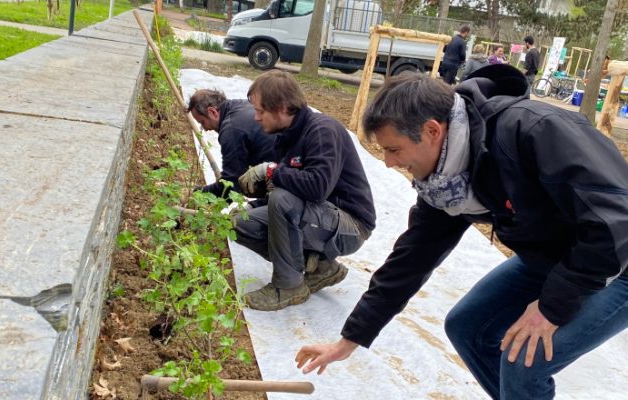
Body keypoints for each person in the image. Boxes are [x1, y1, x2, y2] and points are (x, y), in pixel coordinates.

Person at [296, 65, 628, 399]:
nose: (387, 163)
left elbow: (616, 222)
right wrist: (350, 340)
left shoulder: (534, 131)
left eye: (394, 150)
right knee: (468, 327)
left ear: (432, 131)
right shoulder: (448, 181)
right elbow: (412, 257)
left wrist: (550, 308)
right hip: (558, 255)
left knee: (526, 361)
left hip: (616, 257)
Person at [233, 70, 376, 311]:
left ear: (281, 108)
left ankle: (289, 287)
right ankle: (320, 267)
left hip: (351, 225)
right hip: (319, 217)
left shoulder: (322, 131)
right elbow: (287, 189)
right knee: (240, 222)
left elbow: (317, 187)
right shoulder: (286, 136)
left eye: (260, 111)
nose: (256, 118)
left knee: (283, 199)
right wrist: (251, 205)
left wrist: (271, 171)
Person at [187, 89, 276, 199]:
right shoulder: (241, 104)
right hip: (287, 166)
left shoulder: (231, 130)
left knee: (245, 195)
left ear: (212, 112)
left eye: (202, 122)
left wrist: (197, 194)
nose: (205, 129)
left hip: (283, 182)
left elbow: (231, 185)